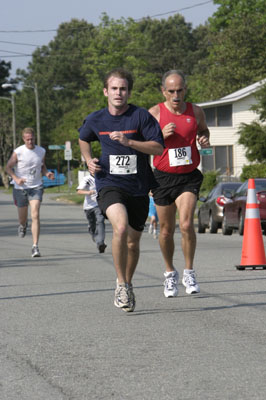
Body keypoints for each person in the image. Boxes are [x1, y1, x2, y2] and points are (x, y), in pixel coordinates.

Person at [79, 67, 164, 312]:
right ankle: (121, 284)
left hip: (138, 187)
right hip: (109, 184)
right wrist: (88, 159)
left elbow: (158, 148)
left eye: (123, 89)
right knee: (120, 227)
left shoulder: (140, 117)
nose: (119, 93)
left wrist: (129, 142)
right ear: (106, 91)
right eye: (114, 88)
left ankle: (128, 282)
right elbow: (84, 138)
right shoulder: (96, 119)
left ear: (129, 92)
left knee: (132, 244)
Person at [149, 70, 210, 297]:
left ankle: (189, 271)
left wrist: (204, 138)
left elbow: (203, 130)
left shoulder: (196, 111)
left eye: (180, 90)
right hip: (163, 177)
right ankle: (169, 273)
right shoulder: (154, 113)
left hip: (188, 175)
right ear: (163, 91)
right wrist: (160, 136)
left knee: (185, 225)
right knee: (166, 231)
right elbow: (145, 144)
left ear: (185, 89)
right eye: (171, 91)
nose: (176, 95)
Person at [5, 127, 54, 258]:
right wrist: (16, 178)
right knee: (23, 218)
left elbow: (42, 166)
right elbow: (8, 167)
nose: (30, 141)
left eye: (32, 139)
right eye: (27, 139)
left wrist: (47, 173)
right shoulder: (18, 152)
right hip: (20, 188)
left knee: (35, 214)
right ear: (23, 139)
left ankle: (35, 246)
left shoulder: (41, 151)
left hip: (36, 186)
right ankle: (22, 225)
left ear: (34, 138)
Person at [76, 172, 107, 253]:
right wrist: (88, 192)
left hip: (99, 205)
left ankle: (100, 243)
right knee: (92, 225)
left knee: (100, 221)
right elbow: (79, 191)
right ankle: (93, 232)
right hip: (88, 207)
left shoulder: (104, 177)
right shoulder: (87, 179)